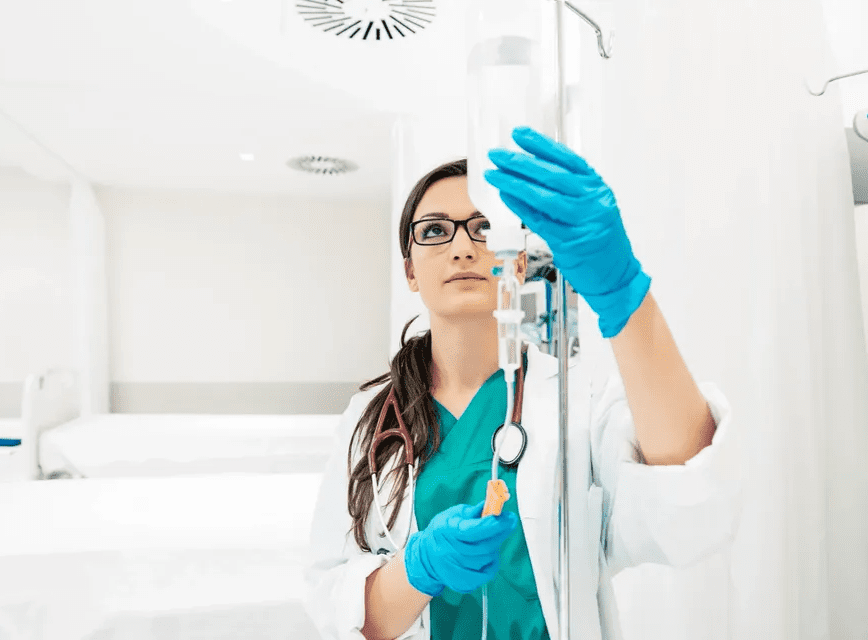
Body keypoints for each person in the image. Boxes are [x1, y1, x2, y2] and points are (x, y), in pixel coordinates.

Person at [303, 127, 743, 640]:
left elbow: (692, 504)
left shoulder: (573, 398)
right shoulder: (370, 419)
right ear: (410, 271)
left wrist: (624, 295)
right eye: (434, 231)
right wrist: (417, 570)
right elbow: (340, 610)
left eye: (484, 228)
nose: (463, 247)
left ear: (516, 259)